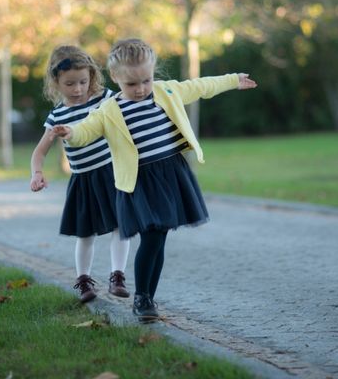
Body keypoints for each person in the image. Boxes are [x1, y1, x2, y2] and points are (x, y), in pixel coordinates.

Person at [52, 38, 257, 322]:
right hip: (138, 182)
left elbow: (200, 86)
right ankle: (142, 298)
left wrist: (232, 80)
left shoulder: (166, 91)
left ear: (153, 73)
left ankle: (147, 297)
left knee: (159, 237)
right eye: (131, 84)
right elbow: (86, 130)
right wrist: (71, 134)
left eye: (146, 81)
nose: (140, 89)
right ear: (115, 78)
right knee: (151, 236)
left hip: (170, 174)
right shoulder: (109, 110)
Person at [30, 45, 130, 303]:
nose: (77, 89)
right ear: (56, 82)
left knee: (121, 226)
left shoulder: (105, 98)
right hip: (83, 180)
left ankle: (117, 275)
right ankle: (83, 281)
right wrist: (36, 173)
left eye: (83, 82)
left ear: (92, 77)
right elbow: (39, 152)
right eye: (69, 84)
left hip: (112, 174)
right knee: (85, 234)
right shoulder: (57, 115)